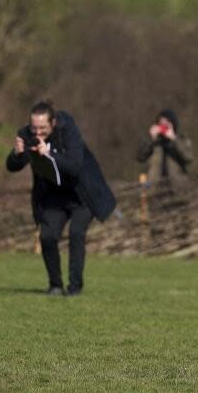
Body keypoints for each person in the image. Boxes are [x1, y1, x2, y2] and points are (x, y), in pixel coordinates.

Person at [6, 101, 116, 296]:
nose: (37, 133)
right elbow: (13, 166)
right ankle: (55, 285)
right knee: (47, 237)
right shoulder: (27, 135)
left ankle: (75, 287)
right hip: (53, 197)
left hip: (81, 195)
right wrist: (16, 154)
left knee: (76, 233)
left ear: (53, 123)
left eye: (42, 128)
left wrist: (51, 154)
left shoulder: (69, 133)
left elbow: (74, 166)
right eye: (34, 128)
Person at [136, 109, 193, 187]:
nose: (163, 127)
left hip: (177, 189)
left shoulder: (182, 140)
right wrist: (152, 140)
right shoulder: (154, 143)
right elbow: (140, 157)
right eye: (161, 124)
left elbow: (188, 158)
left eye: (167, 124)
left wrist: (174, 139)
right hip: (154, 189)